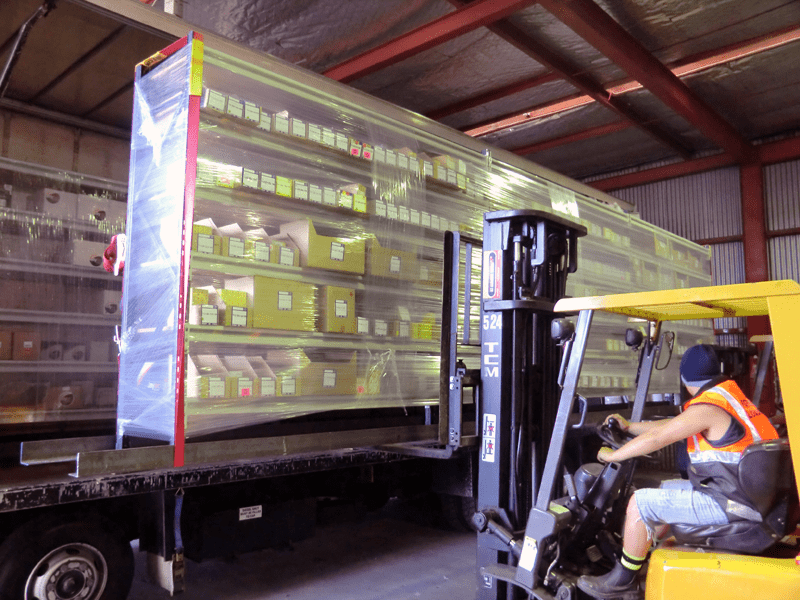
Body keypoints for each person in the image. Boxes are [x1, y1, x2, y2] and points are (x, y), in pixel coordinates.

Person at [577, 344, 779, 598]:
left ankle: (622, 581)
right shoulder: (726, 397)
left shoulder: (707, 407)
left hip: (733, 504)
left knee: (640, 503)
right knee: (665, 488)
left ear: (684, 380)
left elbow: (658, 437)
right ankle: (642, 557)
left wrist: (612, 455)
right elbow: (672, 426)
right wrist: (628, 427)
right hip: (745, 497)